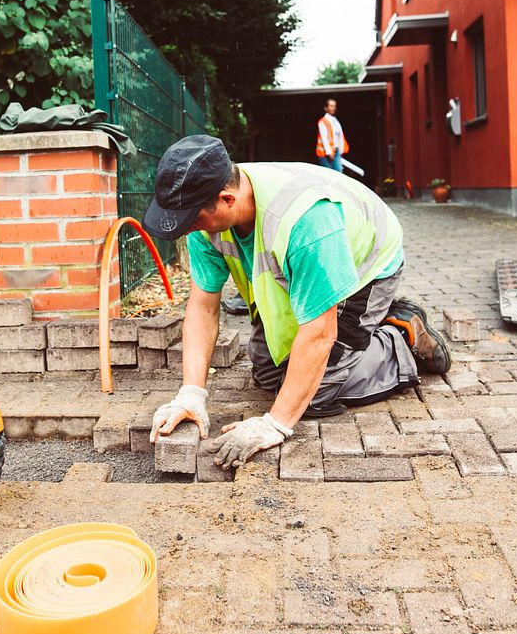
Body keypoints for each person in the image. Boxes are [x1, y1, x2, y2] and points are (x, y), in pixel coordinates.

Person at [143, 135, 451, 469]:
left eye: (194, 219)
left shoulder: (305, 222)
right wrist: (191, 394)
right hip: (303, 268)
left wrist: (275, 424)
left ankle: (399, 337)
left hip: (364, 267)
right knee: (269, 371)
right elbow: (203, 306)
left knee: (315, 391)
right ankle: (367, 328)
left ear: (226, 199)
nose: (190, 229)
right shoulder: (206, 222)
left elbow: (318, 333)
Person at [316, 97, 346, 172]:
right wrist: (329, 152)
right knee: (329, 174)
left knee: (338, 172)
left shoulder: (336, 121)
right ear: (326, 108)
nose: (333, 108)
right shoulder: (323, 121)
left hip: (336, 151)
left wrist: (340, 151)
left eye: (334, 106)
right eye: (331, 106)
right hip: (326, 154)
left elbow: (339, 137)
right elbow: (324, 139)